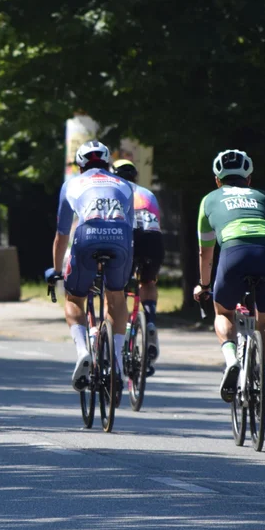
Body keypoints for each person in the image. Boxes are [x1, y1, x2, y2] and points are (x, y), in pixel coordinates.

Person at [192, 149, 265, 412]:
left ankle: (231, 358)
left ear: (217, 180)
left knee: (223, 311)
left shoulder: (210, 199)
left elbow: (205, 251)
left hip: (234, 251)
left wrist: (205, 286)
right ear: (250, 178)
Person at [49, 140, 134, 395]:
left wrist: (56, 271)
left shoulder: (71, 184)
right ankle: (116, 361)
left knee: (74, 297)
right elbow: (131, 230)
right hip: (121, 238)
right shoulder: (125, 185)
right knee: (117, 297)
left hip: (87, 236)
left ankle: (83, 351)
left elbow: (62, 234)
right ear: (108, 163)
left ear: (79, 165)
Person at [112, 159, 164, 372]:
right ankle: (149, 320)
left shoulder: (113, 191)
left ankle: (121, 334)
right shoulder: (148, 193)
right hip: (153, 237)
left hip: (128, 236)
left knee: (117, 287)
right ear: (135, 176)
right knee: (148, 281)